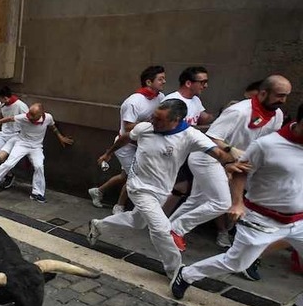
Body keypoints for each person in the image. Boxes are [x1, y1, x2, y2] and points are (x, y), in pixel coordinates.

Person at [89, 99, 242, 280]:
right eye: (154, 117)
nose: (153, 122)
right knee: (161, 229)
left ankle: (98, 225)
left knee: (137, 221)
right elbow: (125, 137)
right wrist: (109, 152)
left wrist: (229, 163)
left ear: (175, 120)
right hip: (139, 187)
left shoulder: (190, 135)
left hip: (161, 191)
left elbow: (216, 152)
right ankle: (176, 271)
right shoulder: (145, 128)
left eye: (159, 120)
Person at [171, 105, 303, 300]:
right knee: (236, 263)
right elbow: (241, 170)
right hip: (261, 219)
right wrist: (237, 203)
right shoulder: (267, 145)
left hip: (299, 221)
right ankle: (187, 274)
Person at [169, 74, 291, 252]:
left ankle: (164, 231)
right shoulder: (239, 111)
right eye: (280, 95)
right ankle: (176, 230)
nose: (283, 100)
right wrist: (232, 151)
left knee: (196, 200)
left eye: (286, 95)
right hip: (207, 158)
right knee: (222, 203)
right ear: (263, 93)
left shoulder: (277, 115)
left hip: (232, 163)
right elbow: (211, 137)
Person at [88, 66, 166, 213]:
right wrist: (154, 126)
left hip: (141, 144)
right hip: (125, 145)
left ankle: (98, 191)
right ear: (149, 82)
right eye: (160, 79)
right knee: (135, 176)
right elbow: (129, 127)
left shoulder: (160, 98)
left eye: (164, 78)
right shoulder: (133, 102)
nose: (164, 81)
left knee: (125, 176)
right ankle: (120, 206)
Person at [0, 102, 74, 202]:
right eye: (29, 113)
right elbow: (8, 119)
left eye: (33, 115)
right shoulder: (24, 117)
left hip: (36, 147)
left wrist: (60, 137)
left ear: (41, 114)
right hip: (22, 143)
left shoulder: (48, 117)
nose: (29, 116)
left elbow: (53, 126)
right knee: (9, 163)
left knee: (39, 166)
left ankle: (37, 193)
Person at [0, 86, 29, 184]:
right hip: (3, 133)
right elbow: (0, 114)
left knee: (1, 157)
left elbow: (29, 121)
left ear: (6, 97)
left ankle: (9, 175)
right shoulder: (2, 103)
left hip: (16, 135)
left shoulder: (21, 106)